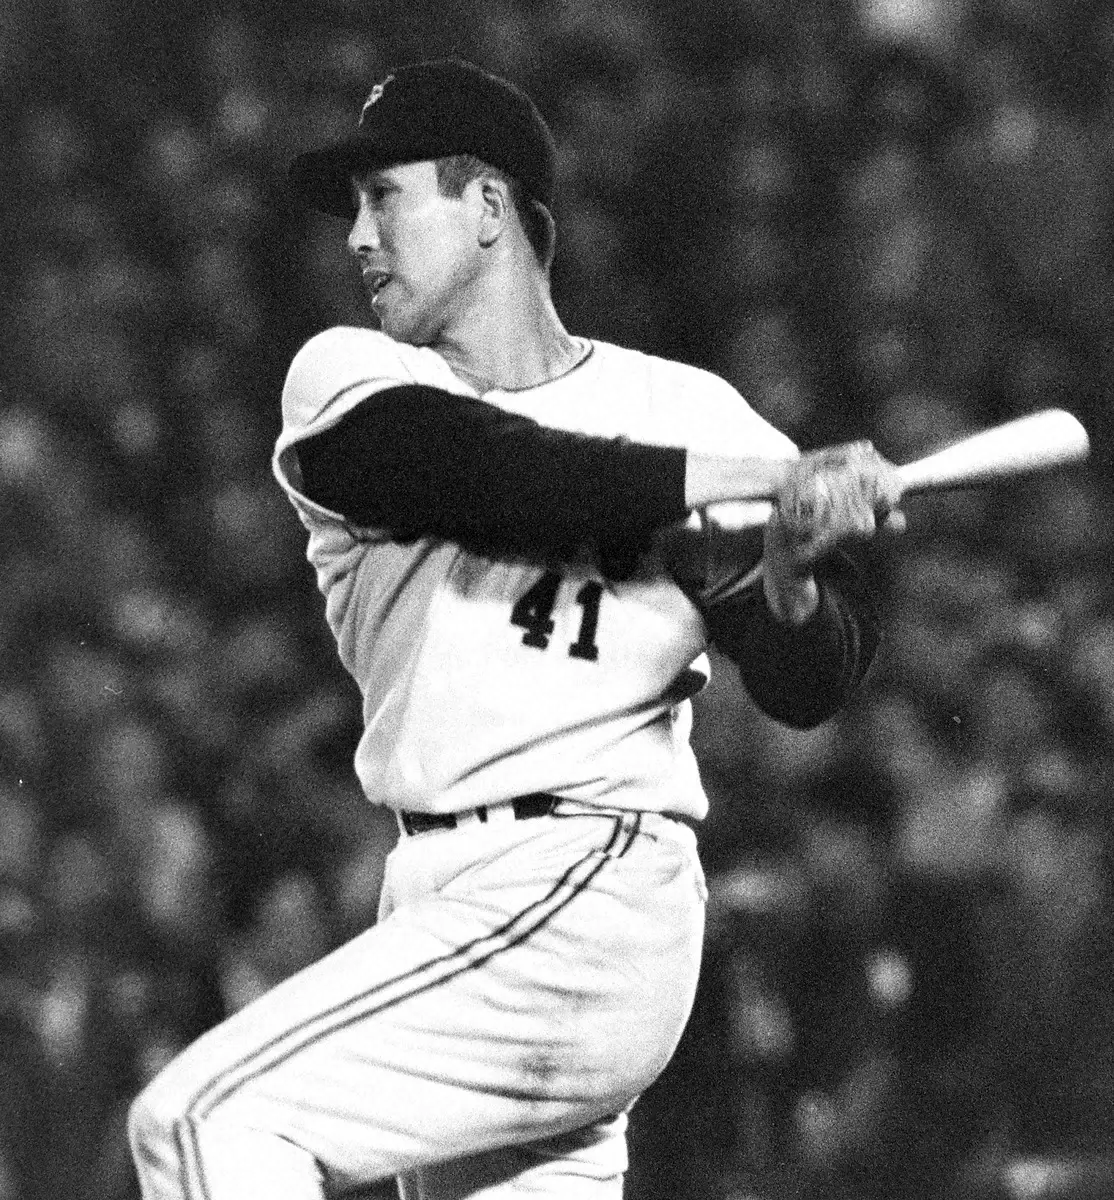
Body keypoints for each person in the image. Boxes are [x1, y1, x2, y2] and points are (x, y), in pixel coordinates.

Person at [127, 57, 903, 1200]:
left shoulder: (681, 408)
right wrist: (754, 480)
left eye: (384, 197)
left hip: (589, 876)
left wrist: (781, 574)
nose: (356, 238)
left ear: (487, 206)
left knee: (199, 1121)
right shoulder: (351, 380)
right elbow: (490, 472)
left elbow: (812, 681)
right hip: (442, 890)